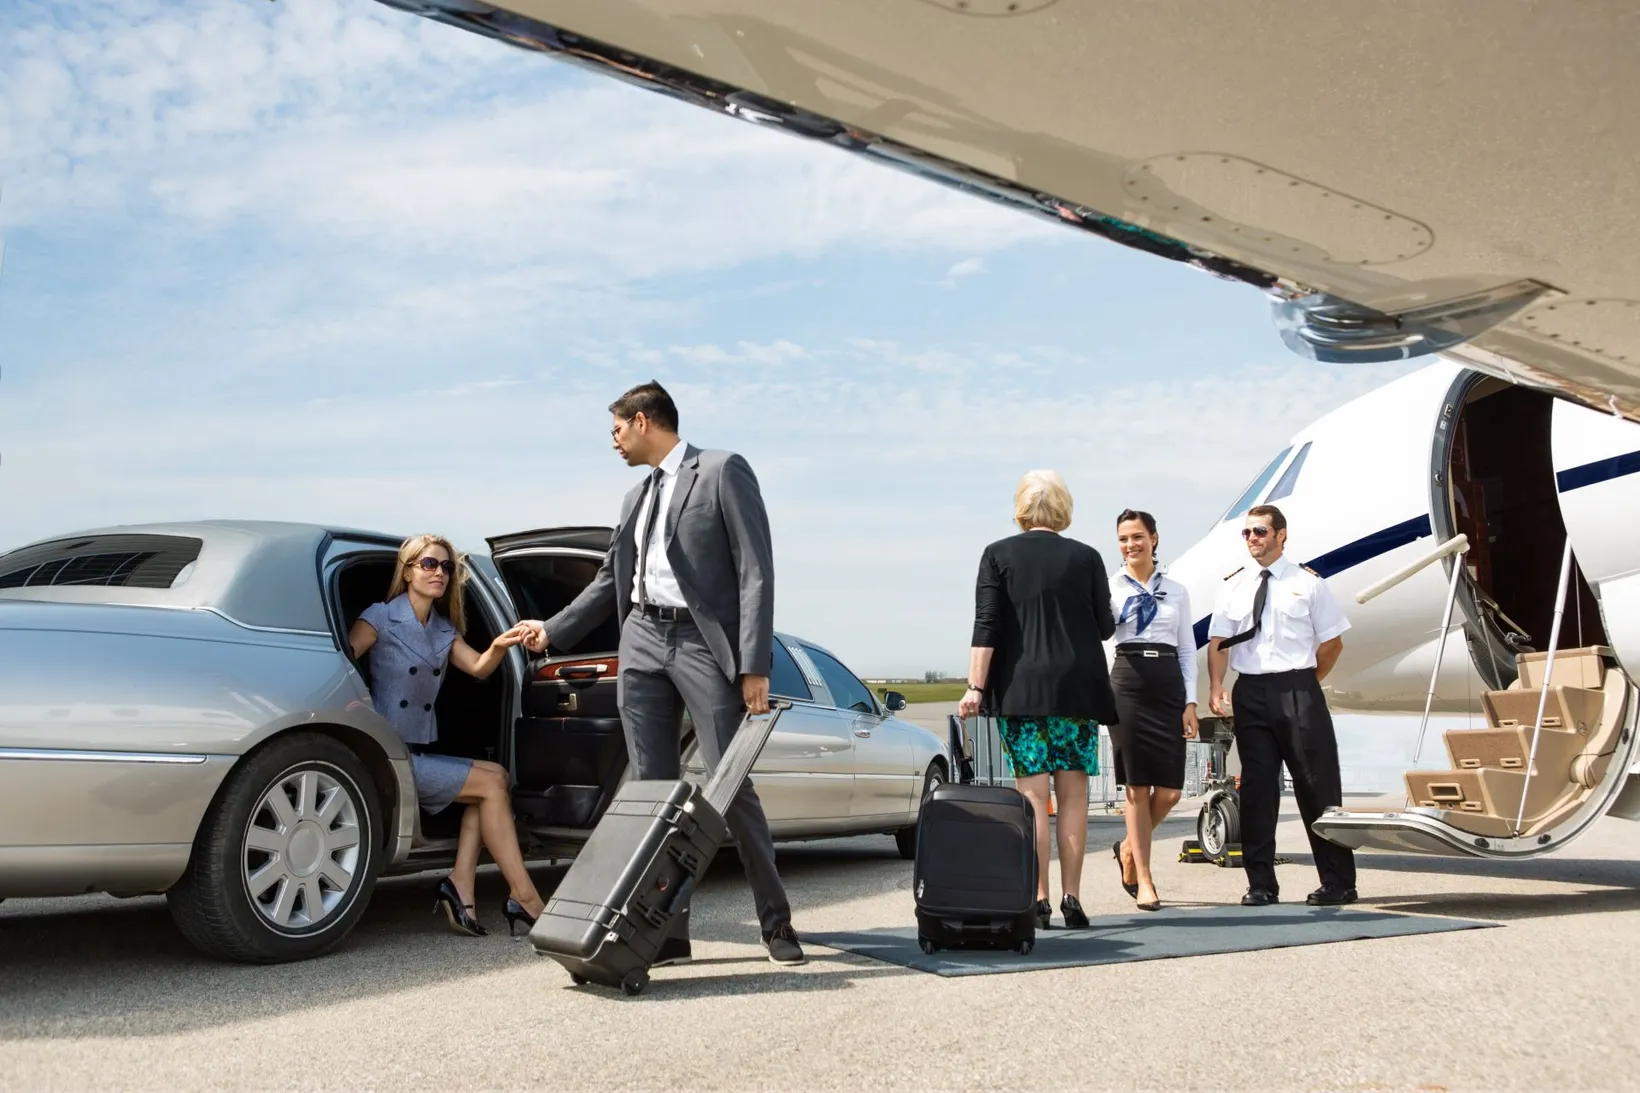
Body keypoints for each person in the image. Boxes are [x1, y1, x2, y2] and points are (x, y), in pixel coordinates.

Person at [516, 381, 804, 967]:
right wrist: (551, 630)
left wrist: (753, 665)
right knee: (651, 794)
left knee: (731, 786)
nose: (614, 441)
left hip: (702, 643)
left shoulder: (722, 470)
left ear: (643, 421)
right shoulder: (633, 498)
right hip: (641, 640)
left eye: (617, 429)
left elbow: (755, 570)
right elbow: (607, 581)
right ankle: (666, 932)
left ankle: (776, 926)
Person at [348, 534, 547, 937]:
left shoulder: (442, 629)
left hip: (415, 752)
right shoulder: (380, 618)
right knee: (491, 783)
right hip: (387, 757)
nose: (439, 572)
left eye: (446, 567)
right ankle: (525, 896)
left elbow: (477, 668)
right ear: (407, 571)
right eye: (428, 564)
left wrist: (497, 644)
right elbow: (340, 663)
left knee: (493, 781)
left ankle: (462, 883)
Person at [957, 469, 1119, 930]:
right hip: (1077, 693)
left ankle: (1039, 899)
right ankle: (1073, 899)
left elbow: (986, 626)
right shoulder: (1087, 557)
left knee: (1032, 799)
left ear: (1022, 507)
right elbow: (1106, 627)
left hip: (1021, 693)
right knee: (1073, 797)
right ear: (1064, 507)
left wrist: (974, 687)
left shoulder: (997, 555)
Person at [1207, 504, 1356, 907]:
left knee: (1317, 786)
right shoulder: (1233, 587)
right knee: (1256, 790)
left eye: (1259, 531)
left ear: (1281, 535)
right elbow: (1219, 643)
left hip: (1297, 688)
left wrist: (1306, 683)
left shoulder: (1308, 584)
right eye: (1247, 533)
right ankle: (1261, 884)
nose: (1252, 539)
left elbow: (1332, 643)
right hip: (1250, 692)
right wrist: (1217, 684)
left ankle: (1338, 882)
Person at [1107, 509, 1198, 912]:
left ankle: (1128, 847)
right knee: (1137, 788)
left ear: (1154, 539)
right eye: (1124, 539)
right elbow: (1104, 638)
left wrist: (1190, 701)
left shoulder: (1176, 590)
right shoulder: (1109, 587)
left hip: (1167, 684)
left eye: (1138, 537)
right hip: (1127, 680)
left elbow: (1186, 649)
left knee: (1171, 792)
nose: (1131, 545)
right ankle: (1144, 878)